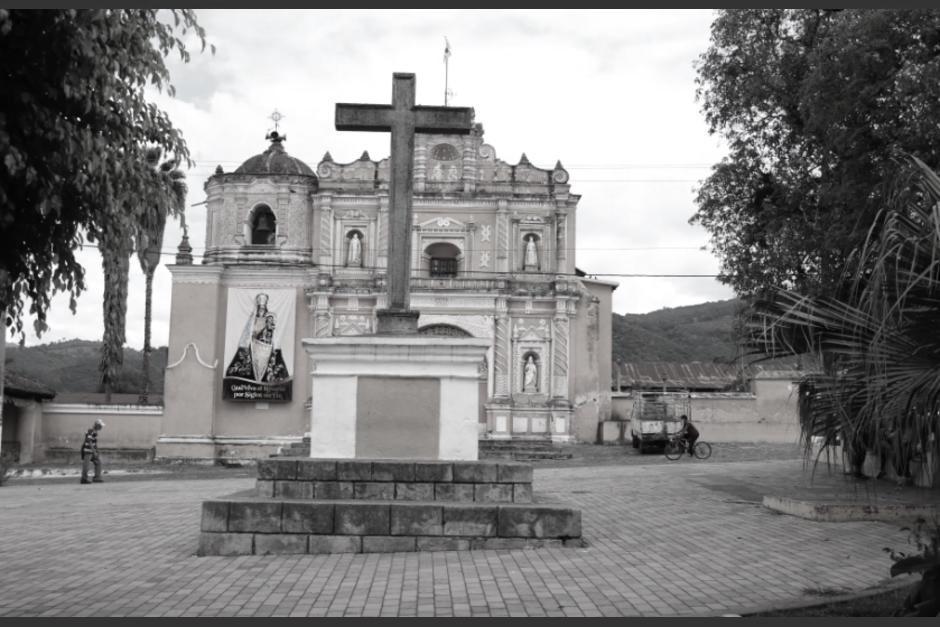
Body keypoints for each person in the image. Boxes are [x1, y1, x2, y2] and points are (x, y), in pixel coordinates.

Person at [80, 419, 105, 484]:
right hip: (88, 451)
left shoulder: (95, 432)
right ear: (97, 425)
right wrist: (94, 452)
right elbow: (89, 441)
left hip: (91, 451)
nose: (101, 427)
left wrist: (96, 450)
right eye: (100, 426)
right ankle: (84, 479)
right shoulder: (91, 431)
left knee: (98, 462)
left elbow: (94, 443)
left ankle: (97, 477)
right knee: (86, 465)